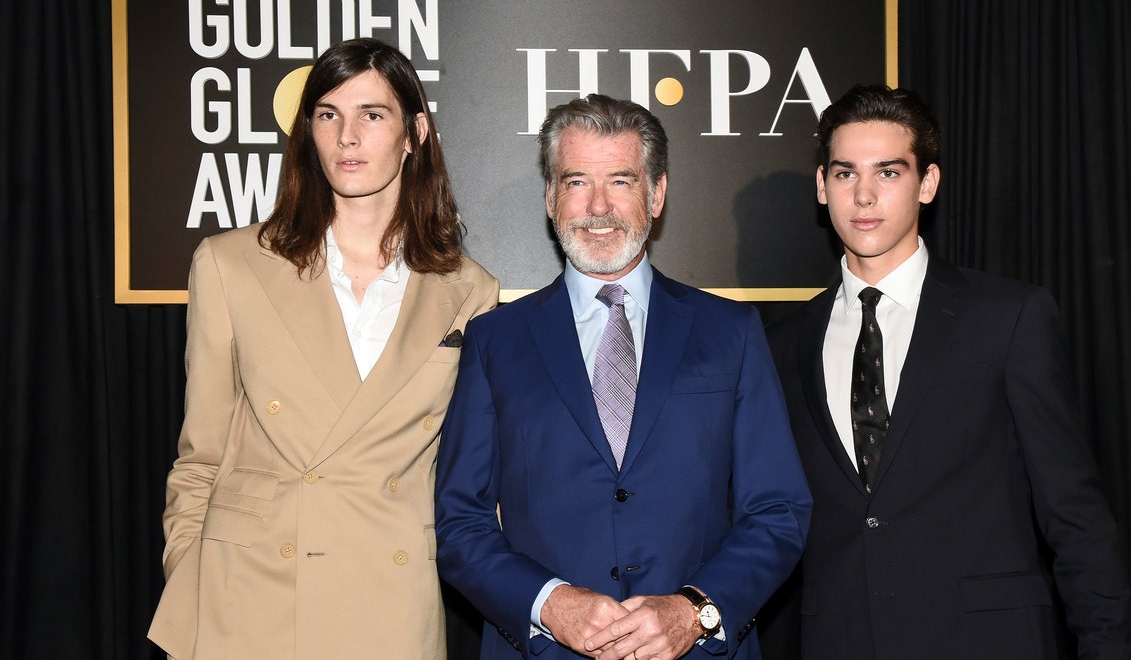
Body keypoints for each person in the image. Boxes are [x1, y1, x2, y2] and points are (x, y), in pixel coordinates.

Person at [147, 38, 499, 659]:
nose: (347, 136)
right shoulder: (231, 265)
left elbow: (470, 475)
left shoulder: (470, 290)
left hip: (388, 595)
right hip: (251, 595)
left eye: (372, 114)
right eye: (328, 114)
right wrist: (191, 574)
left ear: (414, 132)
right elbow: (200, 454)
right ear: (308, 131)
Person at [434, 94, 812, 660]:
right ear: (550, 197)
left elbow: (778, 511)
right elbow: (459, 523)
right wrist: (550, 603)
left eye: (621, 180)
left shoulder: (731, 332)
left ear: (656, 194)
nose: (599, 207)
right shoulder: (495, 341)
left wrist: (694, 610)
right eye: (577, 181)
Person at [765, 84, 1131, 659]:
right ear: (821, 185)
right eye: (844, 174)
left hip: (990, 642)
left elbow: (1074, 512)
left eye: (888, 173)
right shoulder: (784, 343)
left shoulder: (1009, 318)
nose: (864, 195)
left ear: (927, 183)